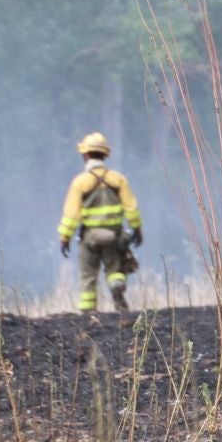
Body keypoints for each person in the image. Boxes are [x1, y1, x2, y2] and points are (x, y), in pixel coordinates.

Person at [57, 132, 143, 312]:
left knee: (88, 275)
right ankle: (117, 286)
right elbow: (131, 207)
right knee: (115, 270)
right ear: (105, 155)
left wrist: (65, 237)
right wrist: (137, 229)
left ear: (85, 154)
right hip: (114, 236)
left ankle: (89, 312)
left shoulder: (80, 182)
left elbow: (71, 214)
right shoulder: (118, 179)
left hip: (90, 237)